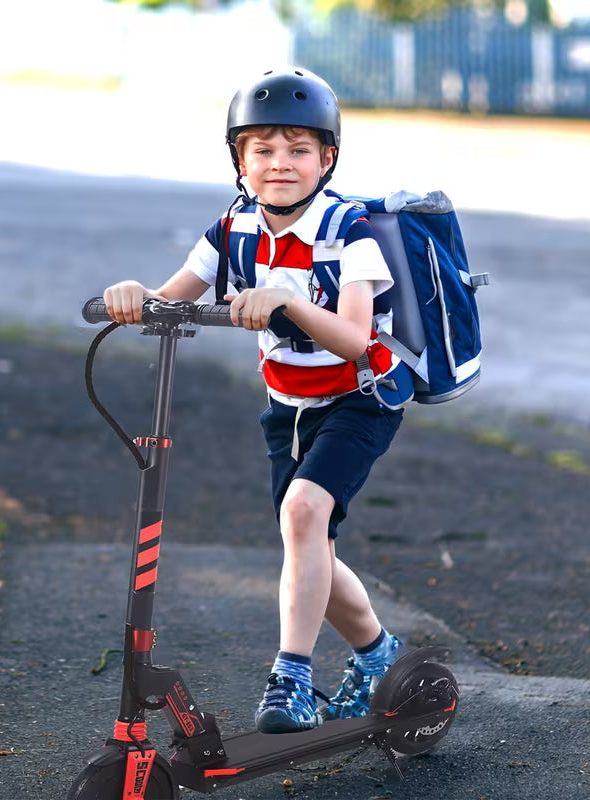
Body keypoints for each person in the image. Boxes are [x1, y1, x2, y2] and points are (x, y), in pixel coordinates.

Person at [103, 66, 405, 734]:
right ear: (240, 161)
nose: (280, 164)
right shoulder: (232, 229)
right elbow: (168, 298)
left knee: (303, 514)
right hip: (286, 409)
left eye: (299, 149)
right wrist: (133, 296)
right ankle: (378, 653)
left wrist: (287, 303)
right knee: (308, 544)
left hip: (358, 400)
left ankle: (291, 678)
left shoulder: (349, 231)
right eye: (263, 149)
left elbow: (356, 338)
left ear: (327, 158)